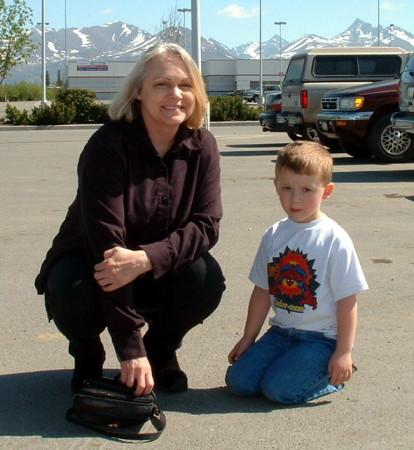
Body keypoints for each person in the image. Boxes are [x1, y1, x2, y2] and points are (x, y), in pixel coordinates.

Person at [35, 43, 225, 396]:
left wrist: (148, 258)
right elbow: (105, 244)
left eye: (185, 85)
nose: (176, 94)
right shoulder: (107, 146)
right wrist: (128, 348)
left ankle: (161, 351)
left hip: (152, 264)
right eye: (161, 84)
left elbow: (206, 224)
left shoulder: (203, 145)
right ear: (138, 91)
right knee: (73, 291)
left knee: (205, 280)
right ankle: (87, 355)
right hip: (93, 260)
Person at [225, 141, 368, 404]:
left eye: (307, 189)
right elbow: (262, 290)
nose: (295, 199)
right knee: (239, 382)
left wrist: (343, 351)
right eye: (287, 188)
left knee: (279, 391)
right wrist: (248, 338)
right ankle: (291, 367)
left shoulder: (334, 239)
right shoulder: (274, 234)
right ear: (276, 186)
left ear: (327, 191)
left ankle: (328, 377)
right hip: (281, 333)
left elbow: (347, 299)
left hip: (321, 339)